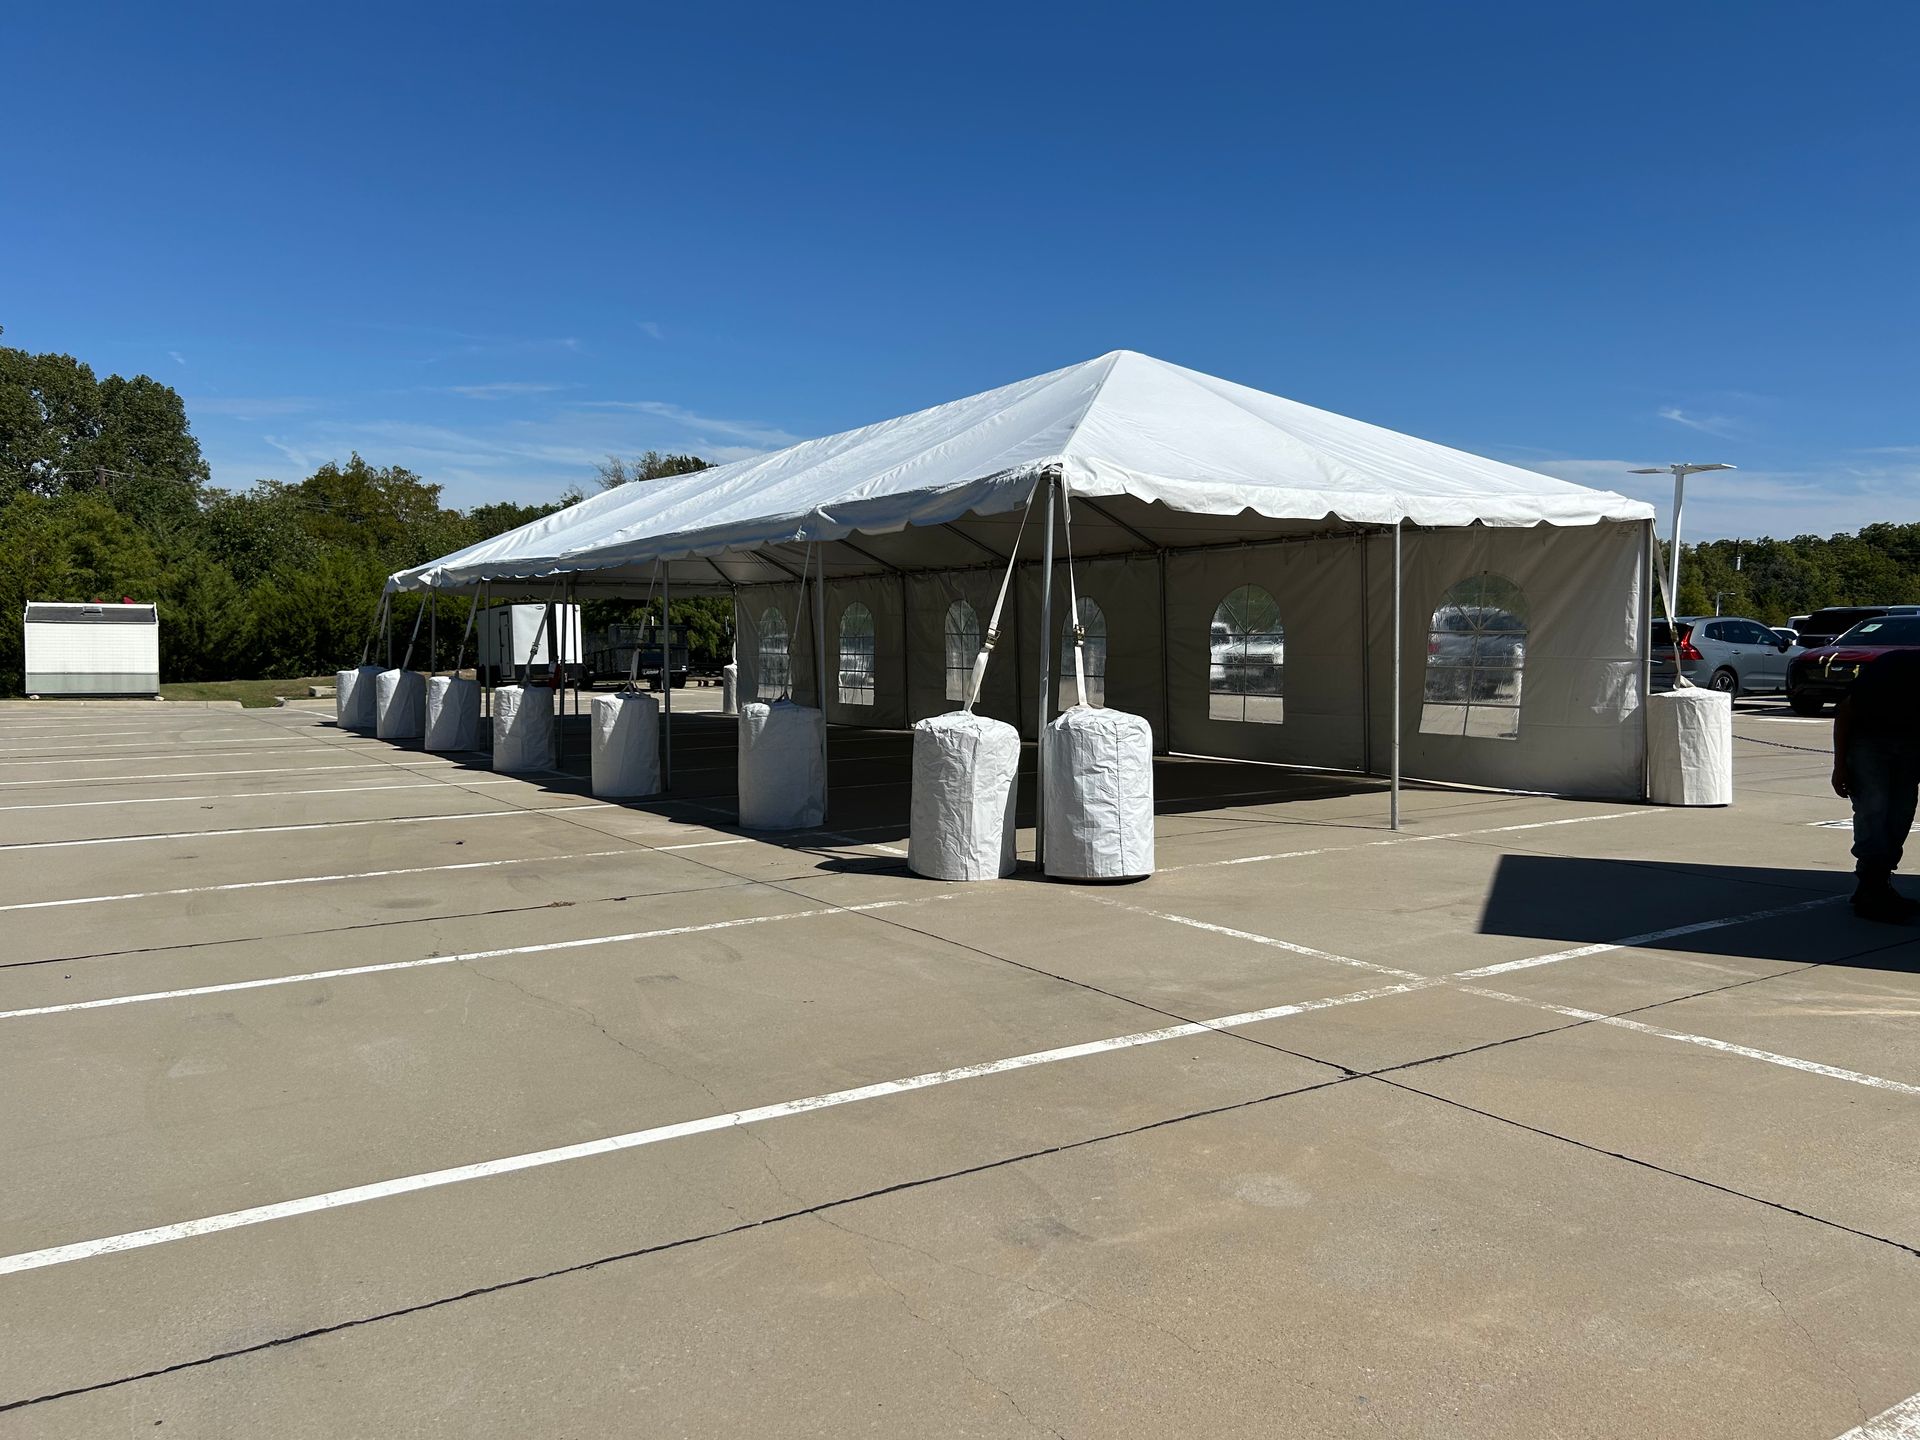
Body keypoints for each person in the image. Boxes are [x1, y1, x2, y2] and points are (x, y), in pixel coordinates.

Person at [1831, 647, 1920, 922]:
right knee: (1874, 808)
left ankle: (1876, 883)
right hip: (1868, 743)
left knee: (1902, 812)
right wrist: (1840, 766)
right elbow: (1844, 713)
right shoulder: (1894, 669)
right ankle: (1872, 886)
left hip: (1910, 746)